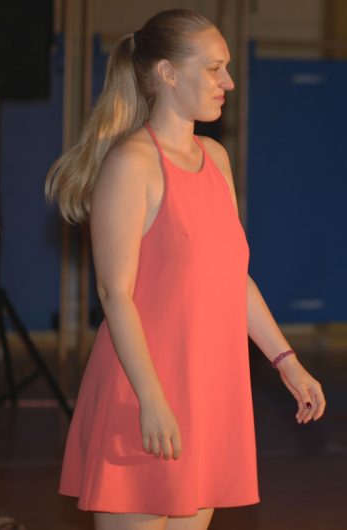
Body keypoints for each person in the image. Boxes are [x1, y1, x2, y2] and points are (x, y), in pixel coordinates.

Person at [45, 9, 326, 530]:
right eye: (215, 69)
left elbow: (232, 277)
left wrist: (286, 361)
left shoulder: (215, 158)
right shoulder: (131, 163)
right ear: (168, 73)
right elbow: (114, 294)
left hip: (206, 391)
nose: (229, 82)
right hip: (143, 390)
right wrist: (151, 401)